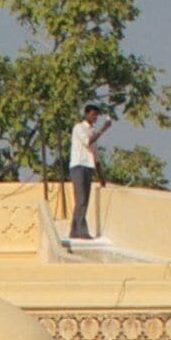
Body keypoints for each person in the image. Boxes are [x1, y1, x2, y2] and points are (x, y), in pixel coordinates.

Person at [67, 102, 110, 242]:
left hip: (88, 167)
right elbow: (88, 142)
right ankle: (81, 230)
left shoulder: (93, 131)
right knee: (81, 199)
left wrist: (101, 177)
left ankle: (74, 230)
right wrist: (103, 129)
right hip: (78, 166)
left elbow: (95, 154)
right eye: (93, 115)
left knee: (84, 199)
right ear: (86, 114)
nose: (95, 118)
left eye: (96, 116)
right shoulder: (79, 128)